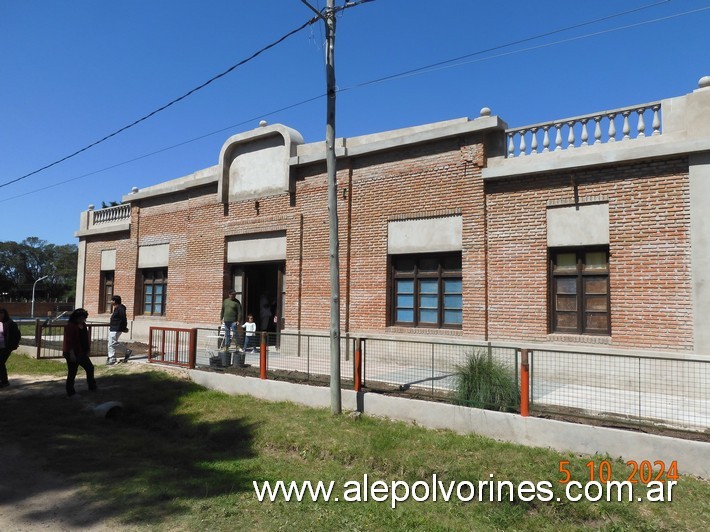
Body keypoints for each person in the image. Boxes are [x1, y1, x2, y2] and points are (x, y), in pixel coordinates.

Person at [62, 308, 97, 397]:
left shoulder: (83, 325)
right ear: (76, 317)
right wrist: (71, 353)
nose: (83, 320)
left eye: (84, 318)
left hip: (82, 352)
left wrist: (87, 350)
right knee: (72, 372)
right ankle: (70, 392)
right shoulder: (70, 326)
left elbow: (85, 338)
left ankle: (92, 387)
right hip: (72, 352)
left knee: (90, 368)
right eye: (81, 318)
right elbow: (68, 341)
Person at [0, 308, 21, 388]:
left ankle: (4, 381)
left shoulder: (10, 323)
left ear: (5, 314)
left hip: (6, 347)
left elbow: (17, 335)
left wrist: (14, 344)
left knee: (0, 362)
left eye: (1, 313)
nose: (0, 315)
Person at [107, 295, 132, 365]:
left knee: (112, 343)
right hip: (113, 328)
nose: (110, 302)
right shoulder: (116, 308)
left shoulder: (120, 308)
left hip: (117, 328)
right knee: (110, 343)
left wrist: (124, 327)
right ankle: (112, 358)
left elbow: (124, 318)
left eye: (111, 300)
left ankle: (127, 351)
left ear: (114, 301)